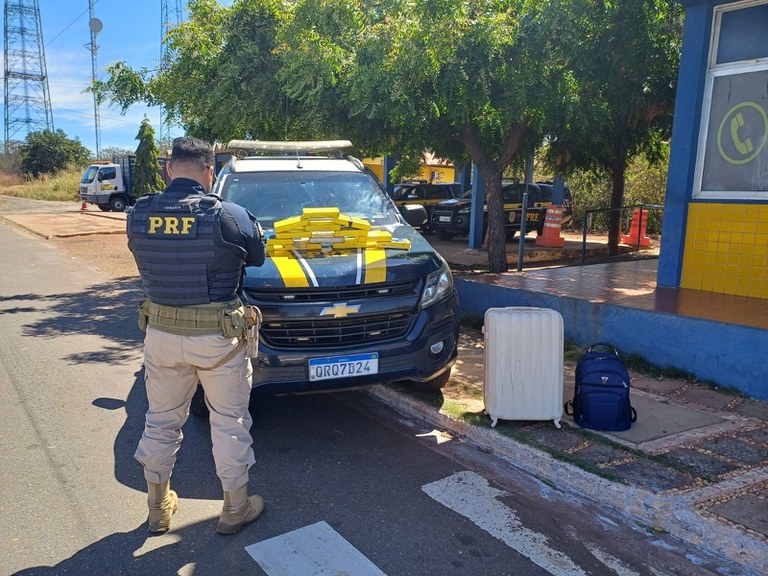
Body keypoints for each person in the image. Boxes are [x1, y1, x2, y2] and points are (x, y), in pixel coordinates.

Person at [126, 137, 266, 535]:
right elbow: (257, 256)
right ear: (211, 172)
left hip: (162, 336)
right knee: (230, 422)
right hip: (219, 341)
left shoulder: (137, 214)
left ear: (169, 169)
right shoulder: (230, 215)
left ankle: (158, 509)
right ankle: (234, 509)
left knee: (160, 421)